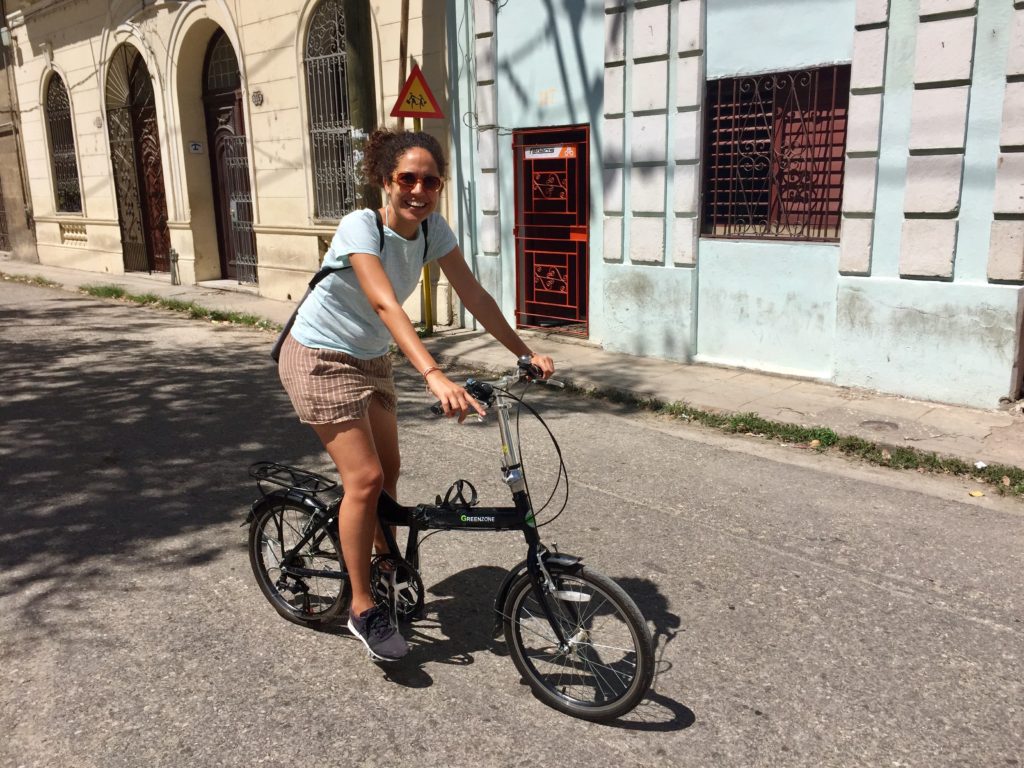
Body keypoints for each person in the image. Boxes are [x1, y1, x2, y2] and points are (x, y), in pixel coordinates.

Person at [277, 128, 555, 661]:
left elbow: (472, 293)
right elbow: (385, 304)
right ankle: (362, 607)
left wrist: (523, 352)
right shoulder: (361, 226)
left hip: (371, 358)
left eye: (431, 181)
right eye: (408, 178)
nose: (419, 190)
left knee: (391, 471)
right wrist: (433, 373)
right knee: (366, 479)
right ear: (387, 181)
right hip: (318, 356)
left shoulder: (432, 231)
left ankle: (381, 559)